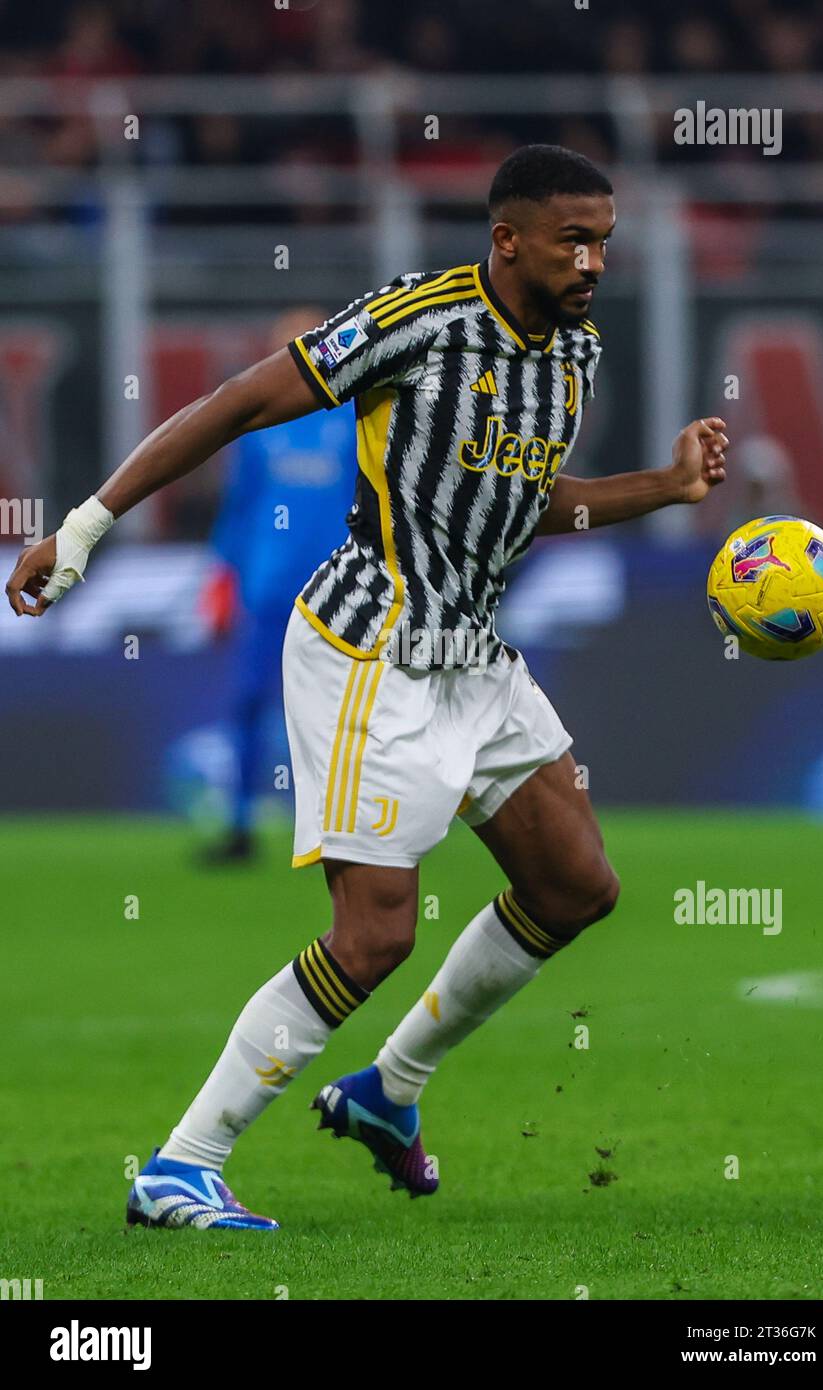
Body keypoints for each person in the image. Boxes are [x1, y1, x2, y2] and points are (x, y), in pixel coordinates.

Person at [6, 145, 728, 1230]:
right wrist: (88, 525)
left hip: (475, 658)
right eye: (572, 240)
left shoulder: (571, 353)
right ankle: (179, 1165)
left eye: (604, 241)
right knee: (375, 934)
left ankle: (386, 1089)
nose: (592, 262)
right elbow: (241, 401)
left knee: (575, 885)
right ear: (507, 239)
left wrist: (663, 488)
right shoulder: (417, 320)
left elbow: (523, 508)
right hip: (369, 653)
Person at [198, 308, 356, 863]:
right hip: (266, 590)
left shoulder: (354, 413)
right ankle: (239, 827)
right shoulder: (258, 423)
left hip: (336, 590)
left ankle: (334, 830)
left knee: (339, 713)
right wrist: (222, 577)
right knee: (247, 702)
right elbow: (239, 507)